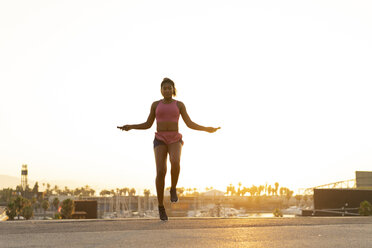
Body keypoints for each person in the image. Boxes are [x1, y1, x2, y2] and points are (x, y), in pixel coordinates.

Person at [117, 78, 220, 221]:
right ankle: (161, 206)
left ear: (173, 89)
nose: (167, 90)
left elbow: (189, 123)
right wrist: (131, 126)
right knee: (160, 171)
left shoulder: (179, 105)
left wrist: (206, 129)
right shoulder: (155, 105)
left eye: (169, 88)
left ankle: (173, 188)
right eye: (164, 88)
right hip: (160, 139)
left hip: (174, 138)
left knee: (175, 161)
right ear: (161, 90)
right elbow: (148, 124)